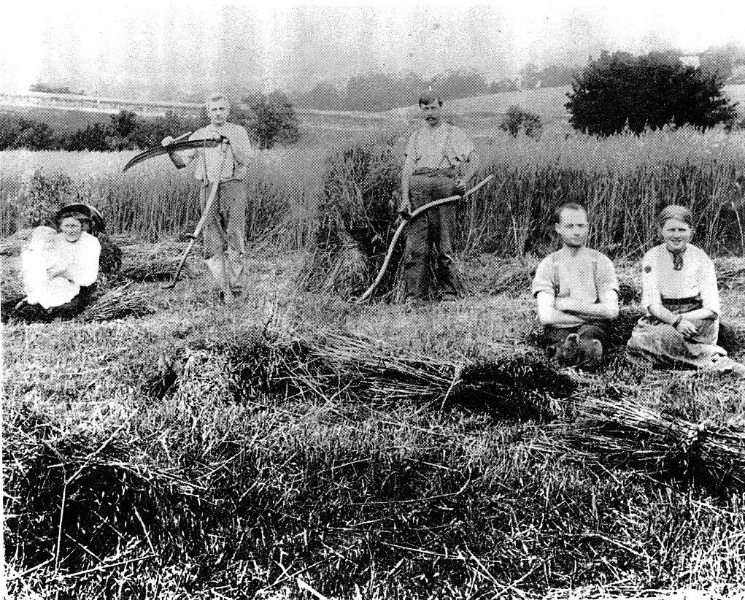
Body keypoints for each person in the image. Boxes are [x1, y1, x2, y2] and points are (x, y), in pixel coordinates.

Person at [626, 205, 745, 375]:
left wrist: (682, 321)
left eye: (682, 229)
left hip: (696, 321)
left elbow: (712, 309)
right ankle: (710, 360)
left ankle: (704, 362)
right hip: (665, 318)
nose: (676, 235)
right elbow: (652, 304)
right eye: (671, 230)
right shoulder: (652, 257)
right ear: (661, 231)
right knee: (636, 344)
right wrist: (675, 321)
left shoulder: (702, 259)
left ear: (691, 231)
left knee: (659, 340)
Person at [162, 93, 253, 300]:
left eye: (222, 109)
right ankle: (220, 289)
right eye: (214, 109)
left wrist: (227, 140)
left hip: (233, 188)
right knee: (212, 239)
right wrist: (170, 150)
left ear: (228, 111)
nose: (218, 113)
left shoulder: (238, 132)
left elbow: (246, 159)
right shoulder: (200, 134)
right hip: (207, 189)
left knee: (235, 237)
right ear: (208, 112)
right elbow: (181, 163)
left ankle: (237, 289)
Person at [399, 89, 477, 303]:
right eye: (425, 109)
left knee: (445, 245)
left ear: (441, 107)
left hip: (445, 190)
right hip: (418, 192)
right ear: (420, 111)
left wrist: (465, 180)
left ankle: (448, 293)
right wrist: (405, 198)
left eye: (434, 107)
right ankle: (414, 296)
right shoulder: (416, 137)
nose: (430, 112)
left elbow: (475, 159)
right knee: (416, 246)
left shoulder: (455, 133)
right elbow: (407, 169)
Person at [531, 202, 619, 368]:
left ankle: (585, 352)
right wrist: (593, 312)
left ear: (588, 227)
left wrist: (569, 305)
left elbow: (611, 311)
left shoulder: (601, 262)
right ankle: (569, 351)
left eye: (581, 226)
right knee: (561, 340)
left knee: (592, 336)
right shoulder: (549, 265)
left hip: (593, 327)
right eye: (570, 226)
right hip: (559, 329)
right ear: (558, 228)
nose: (577, 231)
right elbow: (547, 316)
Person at [16, 207, 101, 321]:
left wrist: (64, 272)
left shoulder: (91, 244)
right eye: (67, 225)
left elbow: (88, 278)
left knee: (63, 310)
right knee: (30, 307)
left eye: (77, 225)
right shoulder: (58, 241)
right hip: (54, 284)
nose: (71, 229)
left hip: (78, 288)